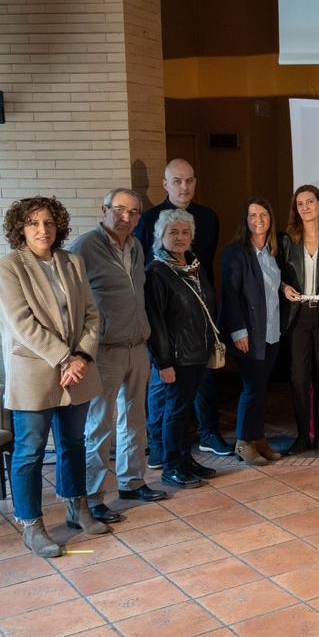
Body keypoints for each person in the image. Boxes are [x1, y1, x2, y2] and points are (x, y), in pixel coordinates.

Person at [0, 197, 110, 557]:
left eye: (48, 222)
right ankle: (32, 525)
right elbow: (22, 323)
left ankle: (79, 508)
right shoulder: (9, 266)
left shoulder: (72, 262)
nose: (42, 230)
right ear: (20, 229)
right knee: (29, 451)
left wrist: (81, 356)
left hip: (78, 370)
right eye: (32, 223)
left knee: (73, 443)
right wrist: (64, 358)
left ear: (58, 225)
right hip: (35, 372)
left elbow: (92, 314)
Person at [68, 189, 167, 525]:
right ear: (104, 209)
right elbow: (70, 302)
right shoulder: (83, 248)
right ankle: (92, 498)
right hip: (104, 351)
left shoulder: (137, 246)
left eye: (134, 212)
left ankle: (132, 481)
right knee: (99, 427)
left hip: (137, 346)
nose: (127, 218)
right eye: (120, 210)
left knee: (134, 420)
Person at [134, 159, 227, 456]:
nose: (183, 187)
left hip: (199, 312)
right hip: (165, 316)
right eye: (177, 181)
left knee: (205, 377)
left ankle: (207, 433)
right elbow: (144, 268)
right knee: (163, 382)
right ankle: (161, 446)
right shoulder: (149, 220)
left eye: (188, 180)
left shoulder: (208, 217)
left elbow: (205, 264)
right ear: (165, 184)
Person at [145, 208, 219, 489]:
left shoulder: (192, 267)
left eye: (185, 232)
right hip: (176, 357)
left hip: (197, 352)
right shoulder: (157, 272)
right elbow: (156, 322)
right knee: (174, 412)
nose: (180, 237)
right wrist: (163, 362)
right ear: (160, 236)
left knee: (185, 410)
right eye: (173, 232)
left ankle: (185, 459)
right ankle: (172, 466)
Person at [221, 198, 284, 466]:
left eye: (263, 215)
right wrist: (238, 331)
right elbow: (231, 294)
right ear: (244, 221)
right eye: (252, 215)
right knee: (251, 388)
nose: (259, 220)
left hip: (271, 332)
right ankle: (243, 442)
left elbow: (272, 288)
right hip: (248, 333)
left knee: (260, 387)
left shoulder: (272, 251)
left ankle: (257, 438)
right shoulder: (236, 252)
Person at [279, 185, 319, 456]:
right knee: (298, 378)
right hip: (297, 316)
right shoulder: (286, 241)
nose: (304, 207)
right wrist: (283, 287)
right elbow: (274, 274)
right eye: (299, 204)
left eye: (309, 202)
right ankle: (303, 436)